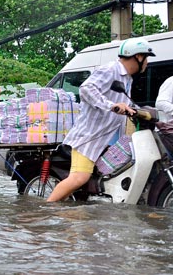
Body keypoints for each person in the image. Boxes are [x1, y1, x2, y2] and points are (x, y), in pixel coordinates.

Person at [47, 37, 156, 202]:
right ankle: (45, 210)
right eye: (146, 58)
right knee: (79, 178)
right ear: (137, 57)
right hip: (89, 137)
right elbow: (86, 89)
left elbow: (125, 104)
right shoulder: (111, 69)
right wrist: (111, 105)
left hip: (105, 138)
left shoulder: (127, 79)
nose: (147, 63)